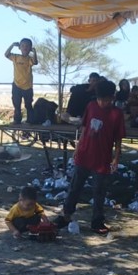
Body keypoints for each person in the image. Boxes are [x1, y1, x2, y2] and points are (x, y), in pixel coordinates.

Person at [54, 80, 125, 235]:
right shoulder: (91, 106)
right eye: (100, 99)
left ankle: (97, 221)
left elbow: (118, 139)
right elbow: (85, 128)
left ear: (112, 98)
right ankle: (66, 215)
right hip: (85, 153)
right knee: (75, 187)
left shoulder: (116, 114)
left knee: (99, 191)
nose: (102, 103)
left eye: (106, 100)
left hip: (103, 157)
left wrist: (116, 158)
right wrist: (78, 147)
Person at [5, 38, 39, 124]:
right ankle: (17, 120)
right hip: (16, 84)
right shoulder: (16, 57)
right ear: (19, 47)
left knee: (28, 105)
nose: (25, 48)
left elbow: (35, 62)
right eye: (23, 46)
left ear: (30, 48)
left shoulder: (30, 59)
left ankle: (30, 120)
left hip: (27, 86)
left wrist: (34, 51)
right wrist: (12, 45)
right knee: (16, 104)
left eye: (27, 46)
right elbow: (6, 54)